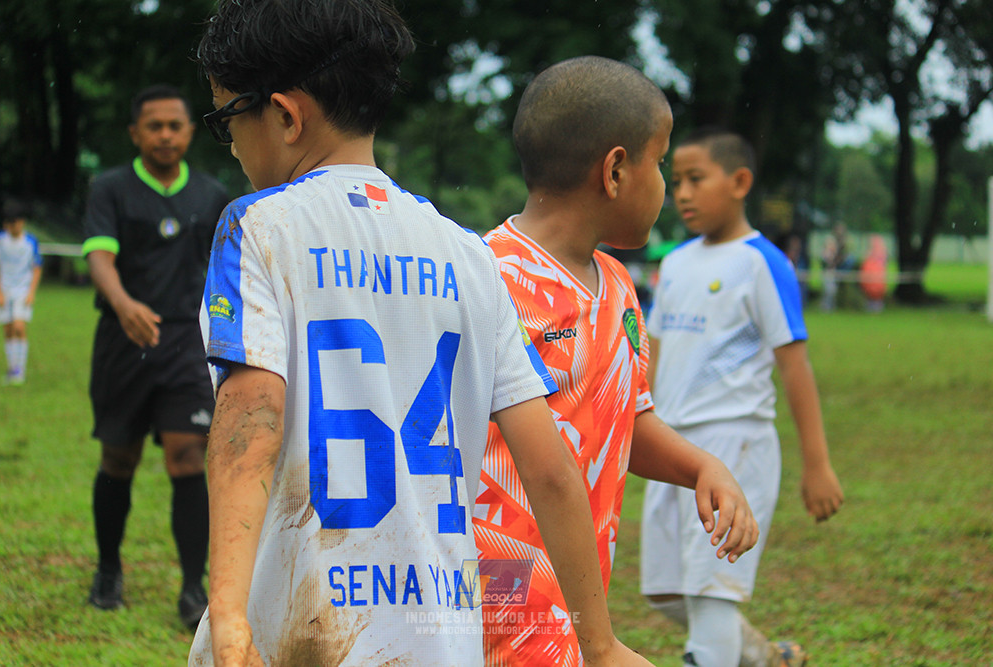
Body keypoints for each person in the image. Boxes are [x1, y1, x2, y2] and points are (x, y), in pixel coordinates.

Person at [189, 3, 655, 666]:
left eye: (227, 118)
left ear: (287, 116)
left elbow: (251, 423)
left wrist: (230, 614)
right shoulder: (468, 256)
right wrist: (600, 644)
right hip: (439, 638)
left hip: (297, 629)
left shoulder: (257, 230)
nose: (230, 143)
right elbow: (551, 471)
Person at [473, 57, 760, 666]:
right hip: (499, 595)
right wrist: (600, 646)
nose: (667, 186)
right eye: (660, 163)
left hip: (576, 603)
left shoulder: (619, 287)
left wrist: (700, 467)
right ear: (617, 169)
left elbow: (623, 425)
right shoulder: (486, 280)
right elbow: (542, 467)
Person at [640, 127, 845, 667]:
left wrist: (818, 465)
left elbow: (794, 366)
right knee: (664, 590)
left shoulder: (762, 263)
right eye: (676, 179)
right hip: (674, 449)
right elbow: (654, 355)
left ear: (739, 182)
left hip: (735, 444)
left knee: (711, 596)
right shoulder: (677, 263)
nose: (681, 192)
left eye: (696, 179)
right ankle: (765, 658)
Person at [81, 84, 230, 628]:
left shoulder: (213, 196)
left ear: (190, 132)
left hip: (186, 347)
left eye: (175, 125)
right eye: (154, 126)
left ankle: (194, 589)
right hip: (124, 343)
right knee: (118, 459)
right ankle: (107, 571)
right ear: (135, 133)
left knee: (188, 457)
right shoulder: (112, 189)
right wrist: (122, 304)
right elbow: (99, 255)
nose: (165, 135)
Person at [0, 198, 42, 385]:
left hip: (22, 290)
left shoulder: (30, 242)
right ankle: (12, 368)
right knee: (7, 329)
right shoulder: (0, 240)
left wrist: (31, 292)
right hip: (5, 290)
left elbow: (37, 267)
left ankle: (19, 371)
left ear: (21, 222)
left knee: (19, 327)